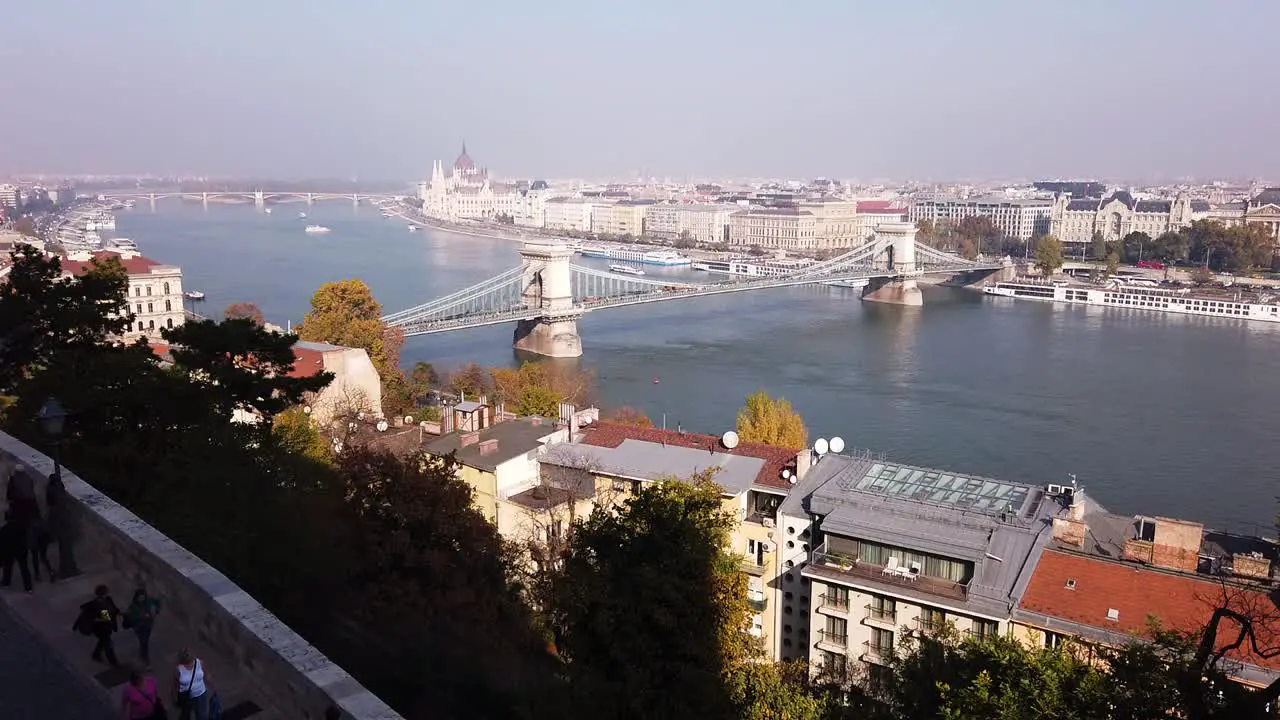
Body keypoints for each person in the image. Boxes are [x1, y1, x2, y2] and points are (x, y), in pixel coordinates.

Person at [77, 584, 121, 667]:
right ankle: (114, 662)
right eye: (104, 594)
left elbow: (114, 609)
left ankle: (96, 655)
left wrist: (119, 613)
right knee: (108, 645)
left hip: (108, 626)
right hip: (100, 629)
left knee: (103, 642)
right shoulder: (95, 605)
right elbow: (93, 618)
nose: (106, 595)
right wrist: (104, 619)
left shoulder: (108, 600)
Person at [123, 586, 162, 664]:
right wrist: (142, 616)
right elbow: (130, 618)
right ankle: (144, 656)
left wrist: (156, 610)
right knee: (143, 641)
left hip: (148, 625)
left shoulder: (149, 601)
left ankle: (143, 653)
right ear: (136, 597)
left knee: (145, 640)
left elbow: (158, 602)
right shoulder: (133, 607)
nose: (142, 599)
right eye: (140, 597)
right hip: (139, 627)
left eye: (143, 597)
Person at [173, 649, 213, 720]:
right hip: (186, 697)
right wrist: (174, 698)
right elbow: (175, 685)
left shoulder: (199, 663)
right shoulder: (179, 669)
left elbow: (207, 675)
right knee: (185, 716)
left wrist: (212, 686)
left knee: (202, 716)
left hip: (201, 694)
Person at [0, 510, 33, 592]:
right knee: (24, 568)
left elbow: (1, 542)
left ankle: (6, 582)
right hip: (20, 549)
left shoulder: (3, 529)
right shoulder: (21, 528)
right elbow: (25, 539)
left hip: (8, 550)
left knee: (7, 567)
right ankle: (28, 586)